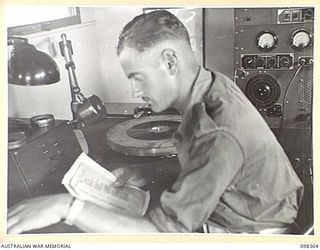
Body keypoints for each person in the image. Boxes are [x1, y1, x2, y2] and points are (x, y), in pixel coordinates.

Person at [7, 10, 303, 234]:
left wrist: (65, 207)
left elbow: (163, 233)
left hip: (251, 232)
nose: (135, 91)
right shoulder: (210, 85)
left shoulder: (217, 129)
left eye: (137, 77)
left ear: (171, 62)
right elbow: (216, 166)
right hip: (243, 209)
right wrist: (148, 173)